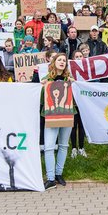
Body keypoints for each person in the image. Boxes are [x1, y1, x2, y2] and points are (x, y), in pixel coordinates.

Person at [41, 54, 74, 188]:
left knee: (63, 145)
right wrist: (42, 87)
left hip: (67, 114)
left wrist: (74, 85)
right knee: (49, 147)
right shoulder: (46, 78)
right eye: (59, 60)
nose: (62, 62)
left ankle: (58, 174)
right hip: (50, 116)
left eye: (64, 61)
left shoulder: (70, 79)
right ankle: (50, 178)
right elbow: (41, 99)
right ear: (54, 62)